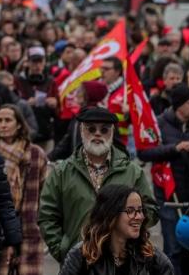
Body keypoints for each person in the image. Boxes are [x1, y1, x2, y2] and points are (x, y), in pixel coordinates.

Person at [39, 107, 158, 263]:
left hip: (122, 261)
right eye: (91, 129)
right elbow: (47, 214)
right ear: (81, 131)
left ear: (112, 132)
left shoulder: (132, 171)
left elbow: (150, 211)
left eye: (104, 129)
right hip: (78, 262)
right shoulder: (62, 172)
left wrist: (131, 240)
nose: (97, 134)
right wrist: (62, 249)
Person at [138, 83, 189, 275]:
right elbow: (144, 152)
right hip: (170, 199)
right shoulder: (159, 124)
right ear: (178, 105)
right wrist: (175, 148)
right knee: (174, 250)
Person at [59, 184, 173, 275]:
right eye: (130, 211)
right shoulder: (81, 256)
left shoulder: (152, 257)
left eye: (140, 210)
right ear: (111, 215)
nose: (139, 217)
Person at [0, 104, 48, 275]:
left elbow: (45, 193)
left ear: (19, 124)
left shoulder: (36, 154)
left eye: (8, 120)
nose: (3, 125)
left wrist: (43, 222)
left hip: (29, 226)